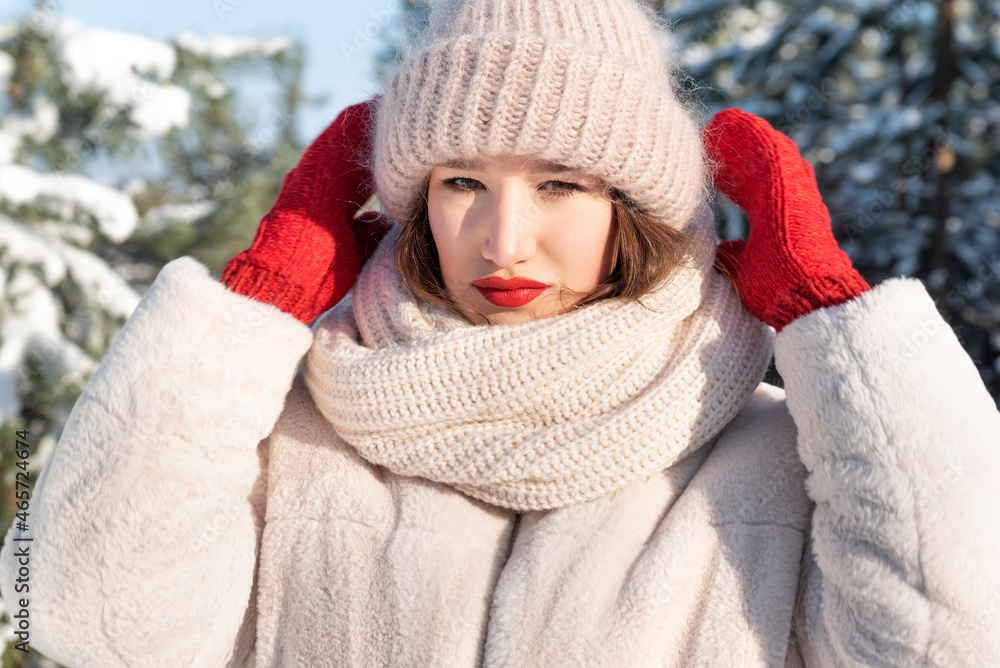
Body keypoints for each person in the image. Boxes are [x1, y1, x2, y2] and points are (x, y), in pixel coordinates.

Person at [2, 0, 999, 666]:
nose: (503, 237)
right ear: (414, 202)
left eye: (559, 183)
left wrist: (831, 319)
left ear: (631, 206)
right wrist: (254, 307)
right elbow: (77, 611)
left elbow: (956, 641)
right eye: (463, 183)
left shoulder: (779, 461)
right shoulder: (285, 435)